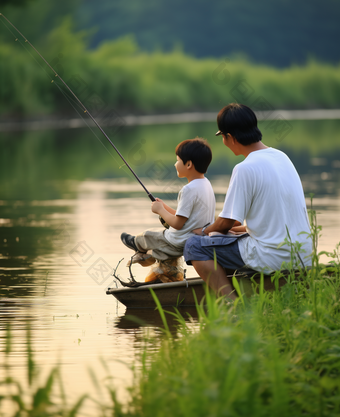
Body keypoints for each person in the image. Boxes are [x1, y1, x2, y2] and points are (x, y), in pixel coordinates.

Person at [184, 103, 313, 300]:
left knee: (194, 245)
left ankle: (232, 305)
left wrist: (204, 231)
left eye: (223, 138)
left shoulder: (244, 168)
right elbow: (273, 219)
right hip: (304, 254)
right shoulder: (282, 157)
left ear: (230, 137)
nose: (224, 143)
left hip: (274, 257)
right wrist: (236, 230)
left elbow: (228, 221)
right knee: (223, 237)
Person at [121, 138, 216, 279]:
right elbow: (184, 216)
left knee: (150, 235)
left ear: (188, 164)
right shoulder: (206, 184)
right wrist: (164, 206)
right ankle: (152, 257)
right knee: (161, 243)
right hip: (197, 237)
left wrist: (160, 210)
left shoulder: (188, 189)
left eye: (177, 160)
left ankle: (137, 245)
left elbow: (178, 224)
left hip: (179, 239)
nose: (175, 164)